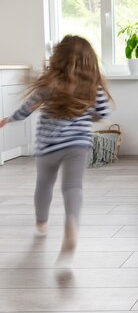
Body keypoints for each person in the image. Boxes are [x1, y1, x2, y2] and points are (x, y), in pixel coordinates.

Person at [0, 35, 112, 258]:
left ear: (58, 58)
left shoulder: (49, 84)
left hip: (48, 146)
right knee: (73, 188)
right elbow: (102, 113)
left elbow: (27, 108)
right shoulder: (93, 87)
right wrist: (87, 113)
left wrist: (9, 119)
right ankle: (72, 223)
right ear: (89, 61)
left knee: (44, 185)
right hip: (78, 145)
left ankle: (42, 222)